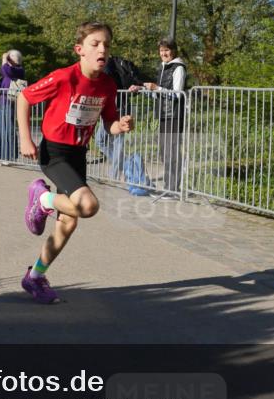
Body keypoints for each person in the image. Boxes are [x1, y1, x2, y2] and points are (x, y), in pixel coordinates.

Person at [17, 22, 134, 304]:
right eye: (95, 44)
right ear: (80, 50)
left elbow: (108, 123)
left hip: (78, 154)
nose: (102, 49)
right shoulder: (64, 77)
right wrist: (25, 138)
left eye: (106, 44)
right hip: (54, 153)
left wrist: (120, 125)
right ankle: (43, 198)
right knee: (88, 206)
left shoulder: (107, 84)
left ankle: (34, 278)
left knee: (68, 223)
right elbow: (24, 97)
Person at [137, 38, 187, 196]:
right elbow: (158, 94)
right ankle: (168, 187)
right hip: (164, 114)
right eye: (161, 51)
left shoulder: (178, 68)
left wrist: (157, 88)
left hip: (174, 114)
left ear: (173, 51)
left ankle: (172, 189)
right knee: (164, 152)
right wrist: (141, 88)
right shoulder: (164, 67)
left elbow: (177, 94)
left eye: (167, 50)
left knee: (171, 151)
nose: (164, 53)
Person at [93, 55, 142, 180]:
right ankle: (123, 163)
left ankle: (114, 176)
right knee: (100, 140)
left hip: (121, 109)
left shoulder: (107, 65)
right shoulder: (106, 64)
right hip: (111, 110)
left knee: (117, 143)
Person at [0, 49, 25, 162]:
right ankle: (2, 156)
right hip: (1, 103)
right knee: (1, 129)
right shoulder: (7, 74)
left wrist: (4, 59)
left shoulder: (18, 70)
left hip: (9, 102)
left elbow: (6, 70)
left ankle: (11, 156)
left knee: (9, 129)